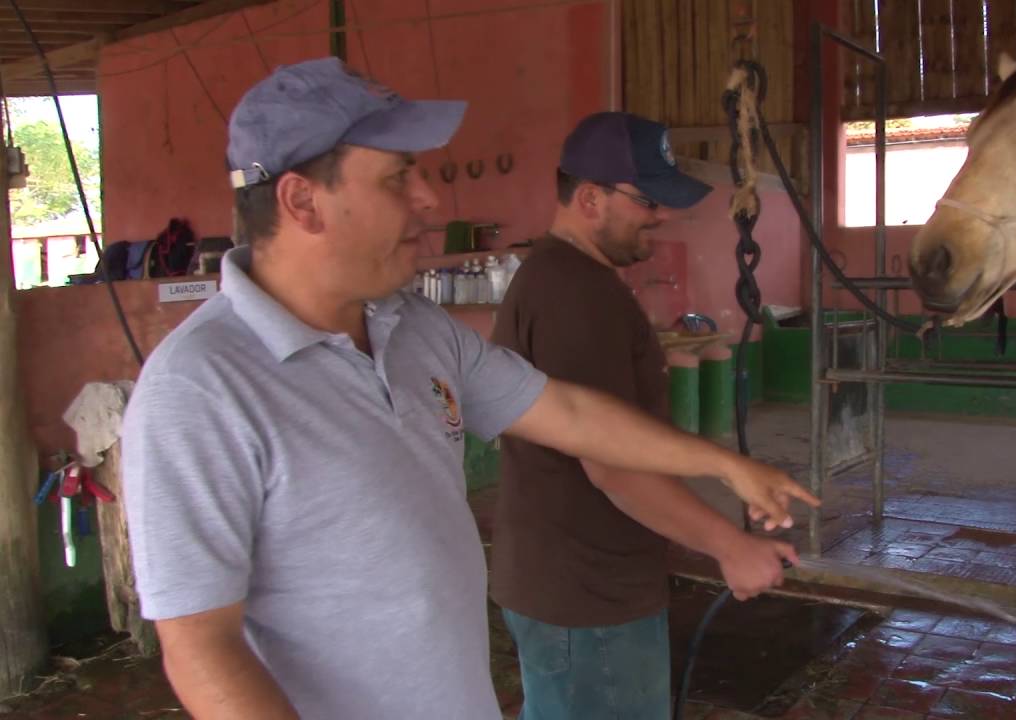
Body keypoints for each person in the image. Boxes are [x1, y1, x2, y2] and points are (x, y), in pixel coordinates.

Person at [121, 60, 817, 720]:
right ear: (302, 201)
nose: (428, 199)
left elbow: (567, 411)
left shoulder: (414, 326)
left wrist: (724, 464)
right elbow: (201, 645)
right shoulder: (200, 389)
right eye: (398, 179)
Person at [490, 112, 804, 720]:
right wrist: (729, 546)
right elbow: (611, 466)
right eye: (646, 201)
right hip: (587, 593)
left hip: (570, 583)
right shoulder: (576, 293)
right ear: (588, 197)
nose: (660, 217)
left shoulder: (567, 279)